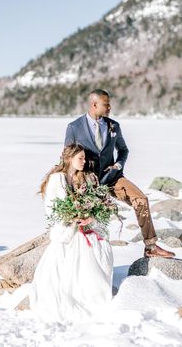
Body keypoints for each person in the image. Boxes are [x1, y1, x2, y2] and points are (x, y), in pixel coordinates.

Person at [64, 89, 175, 258]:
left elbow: (123, 150)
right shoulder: (74, 127)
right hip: (87, 184)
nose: (110, 107)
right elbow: (66, 157)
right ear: (94, 105)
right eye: (106, 104)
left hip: (112, 178)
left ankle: (151, 246)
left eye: (109, 104)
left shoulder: (113, 126)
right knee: (89, 224)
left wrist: (118, 164)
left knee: (141, 200)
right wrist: (71, 184)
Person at [29, 144, 113, 323]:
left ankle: (91, 294)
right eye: (80, 158)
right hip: (66, 230)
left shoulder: (83, 178)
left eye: (84, 158)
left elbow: (94, 203)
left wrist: (90, 217)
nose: (84, 161)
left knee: (101, 248)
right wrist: (73, 217)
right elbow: (53, 209)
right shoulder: (56, 179)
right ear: (69, 158)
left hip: (82, 226)